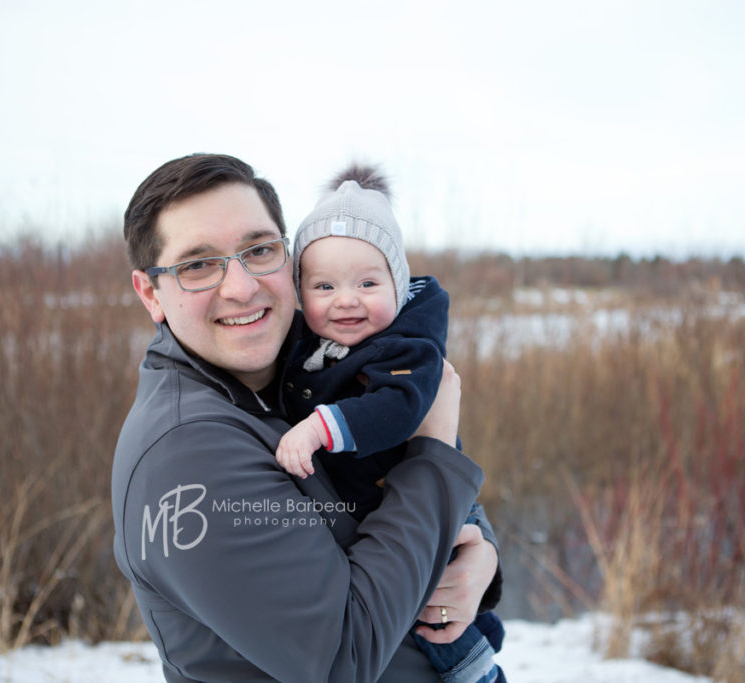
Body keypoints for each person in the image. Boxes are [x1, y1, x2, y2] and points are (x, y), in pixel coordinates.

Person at [111, 153, 502, 682]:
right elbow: (342, 658)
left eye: (259, 249)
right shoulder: (185, 455)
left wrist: (478, 559)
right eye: (197, 265)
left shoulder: (309, 361)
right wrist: (435, 458)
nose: (242, 286)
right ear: (150, 292)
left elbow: (392, 486)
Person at [275, 164, 505, 683]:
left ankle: (471, 664)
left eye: (368, 282)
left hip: (415, 493)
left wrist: (318, 427)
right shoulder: (307, 344)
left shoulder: (409, 347)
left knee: (436, 591)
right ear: (299, 292)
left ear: (398, 286)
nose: (346, 298)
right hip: (377, 505)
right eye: (325, 285)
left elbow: (397, 409)